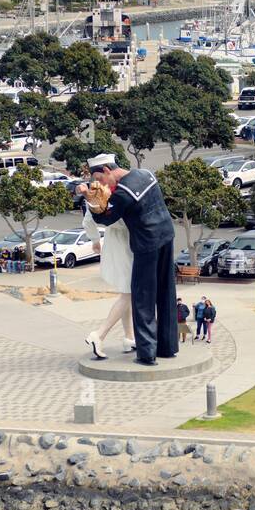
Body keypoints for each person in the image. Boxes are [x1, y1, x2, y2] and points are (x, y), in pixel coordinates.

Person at [81, 153, 179, 366]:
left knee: (142, 298)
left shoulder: (123, 192)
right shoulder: (146, 174)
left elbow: (104, 218)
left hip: (146, 244)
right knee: (166, 292)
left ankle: (147, 354)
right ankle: (168, 346)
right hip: (166, 235)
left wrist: (90, 200)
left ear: (107, 170)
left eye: (100, 179)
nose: (101, 184)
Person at [82, 182, 135, 360]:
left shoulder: (95, 194)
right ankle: (99, 334)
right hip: (128, 243)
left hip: (113, 243)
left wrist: (95, 239)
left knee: (126, 291)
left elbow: (88, 221)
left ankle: (129, 337)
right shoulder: (121, 192)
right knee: (128, 294)